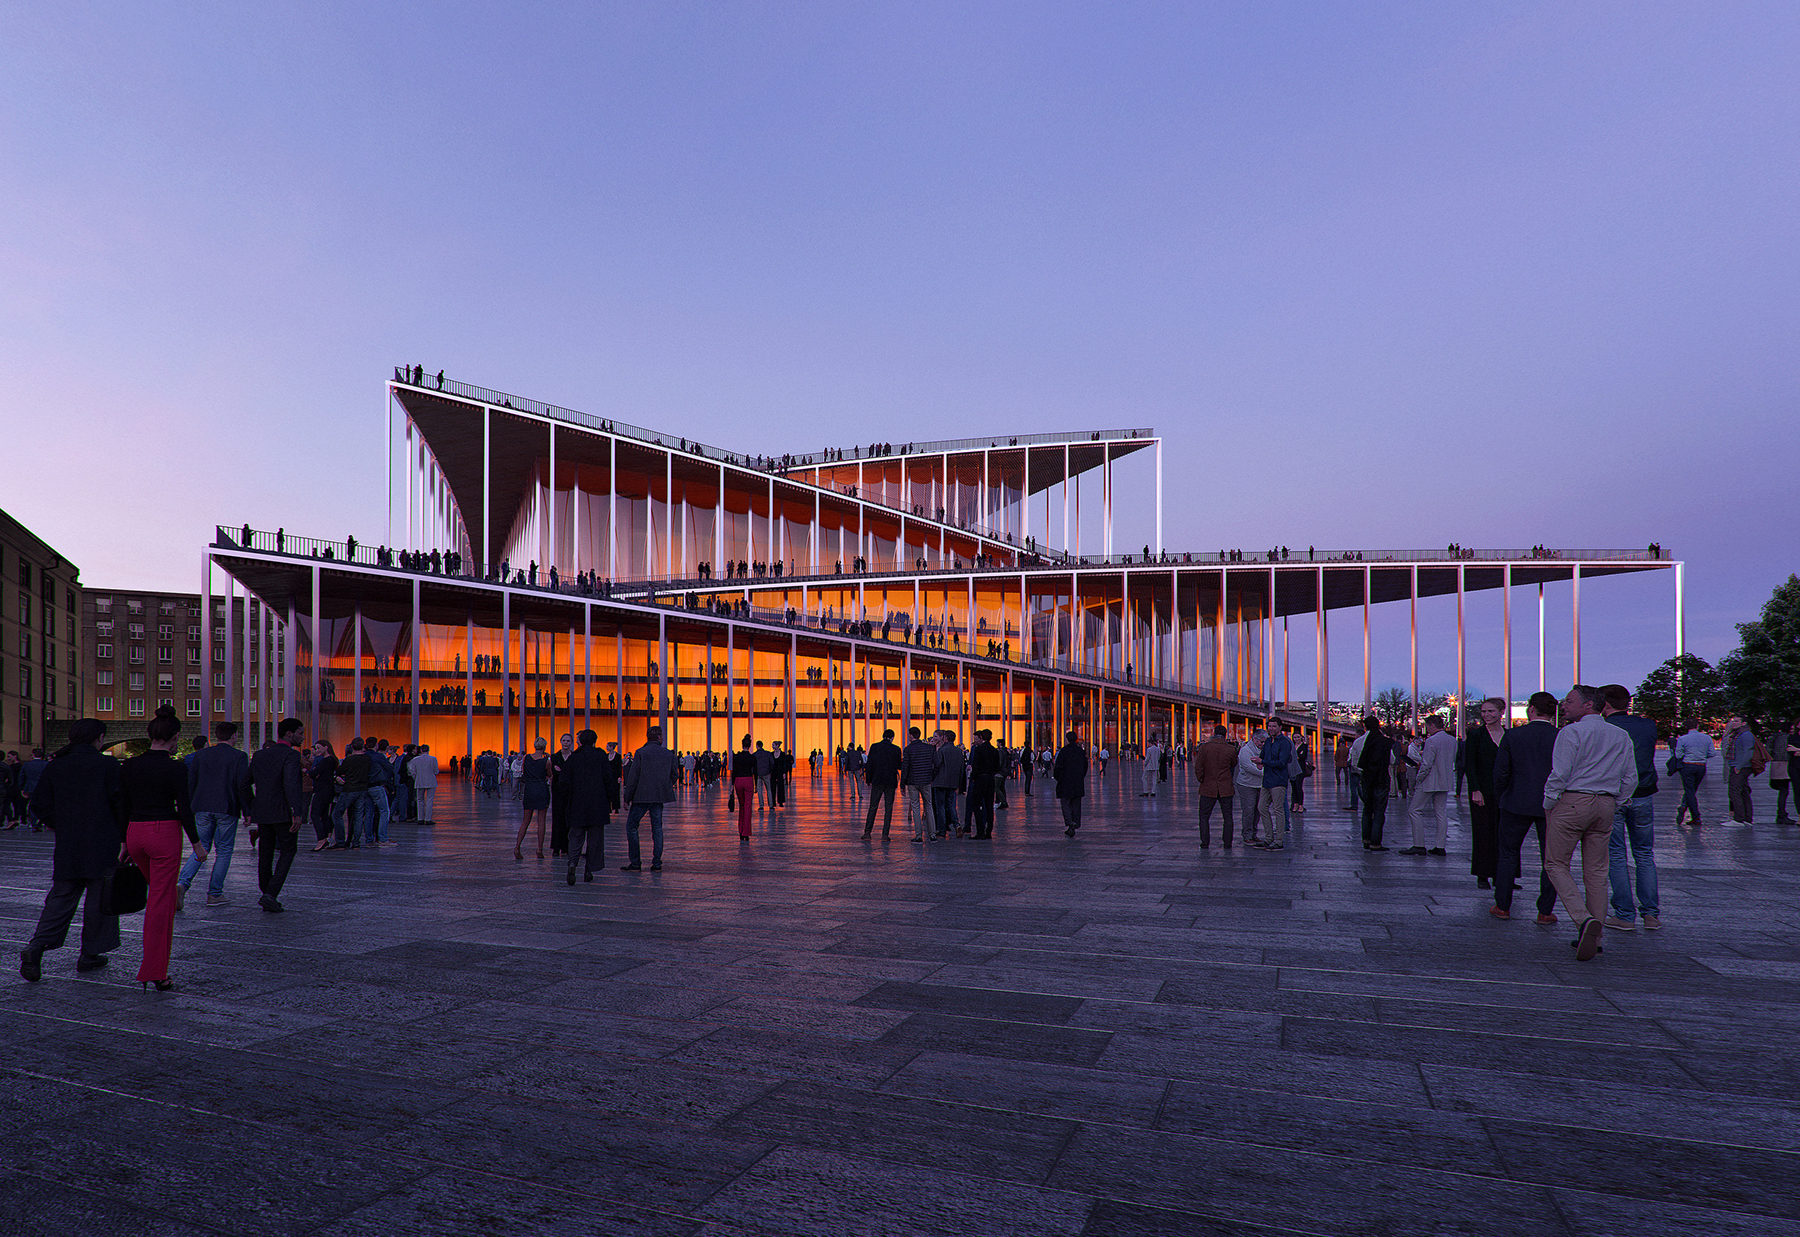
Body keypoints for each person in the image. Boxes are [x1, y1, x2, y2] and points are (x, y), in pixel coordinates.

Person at [19, 718, 127, 982]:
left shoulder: (58, 766)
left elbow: (39, 804)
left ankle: (37, 946)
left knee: (61, 898)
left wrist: (61, 824)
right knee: (99, 900)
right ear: (99, 737)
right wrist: (123, 836)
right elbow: (121, 804)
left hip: (69, 843)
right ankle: (90, 953)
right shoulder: (108, 765)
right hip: (102, 842)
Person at [1542, 685, 1638, 961]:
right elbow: (1630, 777)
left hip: (1573, 801)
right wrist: (1616, 800)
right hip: (1606, 804)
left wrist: (1549, 803)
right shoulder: (1620, 735)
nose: (1564, 705)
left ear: (1587, 705)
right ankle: (1594, 938)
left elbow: (1560, 773)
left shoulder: (1570, 732)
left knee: (1555, 863)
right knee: (1596, 871)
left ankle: (1583, 920)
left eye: (1570, 701)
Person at [121, 707, 202, 990]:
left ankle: (156, 967)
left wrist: (124, 841)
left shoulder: (130, 765)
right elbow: (185, 808)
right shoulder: (175, 767)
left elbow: (123, 805)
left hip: (135, 832)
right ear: (175, 736)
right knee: (160, 901)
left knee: (161, 896)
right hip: (163, 832)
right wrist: (197, 843)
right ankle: (154, 970)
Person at [1491, 692, 1561, 923]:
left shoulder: (1513, 736)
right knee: (1550, 859)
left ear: (1530, 710)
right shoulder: (1560, 736)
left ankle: (1503, 905)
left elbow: (1501, 772)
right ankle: (1545, 910)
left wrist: (1502, 796)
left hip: (1515, 802)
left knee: (1508, 855)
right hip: (1550, 805)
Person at [1600, 685, 1661, 932]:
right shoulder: (1648, 725)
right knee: (1645, 854)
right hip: (1644, 794)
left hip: (1614, 795)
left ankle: (1625, 914)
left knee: (1615, 855)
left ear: (1604, 704)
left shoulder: (1606, 728)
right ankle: (1651, 914)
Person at [181, 720, 250, 909]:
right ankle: (215, 893)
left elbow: (191, 782)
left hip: (202, 806)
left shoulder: (200, 755)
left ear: (216, 736)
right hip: (226, 807)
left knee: (201, 847)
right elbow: (241, 786)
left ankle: (182, 883)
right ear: (234, 736)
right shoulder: (239, 756)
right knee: (224, 851)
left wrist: (190, 805)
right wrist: (248, 811)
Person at [247, 718, 306, 913]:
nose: (302, 737)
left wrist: (250, 806)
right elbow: (291, 784)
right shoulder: (290, 755)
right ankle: (270, 894)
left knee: (266, 852)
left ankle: (266, 893)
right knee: (288, 850)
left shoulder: (260, 755)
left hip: (262, 811)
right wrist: (297, 812)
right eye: (300, 733)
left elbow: (243, 782)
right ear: (289, 734)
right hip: (282, 812)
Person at [1463, 699, 1506, 887]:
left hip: (1504, 791)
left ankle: (1502, 874)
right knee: (1482, 831)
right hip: (1482, 791)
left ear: (1501, 712)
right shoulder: (1475, 736)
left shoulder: (1509, 735)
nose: (1486, 715)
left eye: (1491, 711)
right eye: (1483, 711)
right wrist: (1475, 789)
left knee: (1503, 833)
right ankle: (1482, 874)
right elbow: (1470, 764)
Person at [621, 725, 676, 871]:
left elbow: (633, 777)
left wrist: (627, 797)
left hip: (641, 796)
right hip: (658, 796)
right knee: (657, 828)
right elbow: (675, 774)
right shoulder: (668, 754)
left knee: (632, 827)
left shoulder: (640, 753)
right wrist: (665, 785)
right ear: (659, 737)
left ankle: (635, 862)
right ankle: (657, 862)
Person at [1399, 716, 1455, 857]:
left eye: (1427, 727)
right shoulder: (1452, 740)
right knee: (1441, 813)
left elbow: (1427, 764)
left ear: (1431, 725)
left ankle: (1419, 844)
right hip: (1445, 780)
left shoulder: (1431, 741)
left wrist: (1418, 779)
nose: (1426, 730)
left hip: (1430, 780)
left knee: (1414, 810)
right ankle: (1440, 846)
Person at [562, 729, 611, 882]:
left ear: (580, 741)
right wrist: (609, 800)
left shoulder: (573, 758)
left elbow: (564, 781)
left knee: (576, 836)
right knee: (595, 838)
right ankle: (589, 869)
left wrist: (569, 797)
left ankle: (572, 863)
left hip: (577, 803)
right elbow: (608, 779)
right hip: (597, 803)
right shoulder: (601, 756)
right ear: (595, 741)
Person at [1352, 716, 1392, 851]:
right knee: (1379, 811)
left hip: (1366, 779)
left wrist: (1364, 772)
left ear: (1365, 727)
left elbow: (1355, 763)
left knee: (1367, 809)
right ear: (1379, 726)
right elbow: (1391, 760)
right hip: (1381, 779)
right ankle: (1376, 842)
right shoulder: (1384, 741)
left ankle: (1366, 839)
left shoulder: (1358, 742)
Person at [1253, 720, 1293, 850]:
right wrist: (1260, 762)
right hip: (1267, 780)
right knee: (1262, 807)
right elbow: (1263, 756)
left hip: (1278, 780)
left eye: (1274, 726)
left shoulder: (1285, 742)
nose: (1271, 728)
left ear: (1280, 727)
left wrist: (1263, 761)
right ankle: (1268, 838)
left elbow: (1282, 762)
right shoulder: (1268, 742)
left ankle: (1279, 841)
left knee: (1278, 810)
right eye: (1269, 726)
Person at [1194, 725, 1237, 848]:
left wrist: (1202, 779)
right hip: (1225, 787)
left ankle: (1205, 842)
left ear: (1214, 733)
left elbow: (1198, 767)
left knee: (1204, 816)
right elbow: (1234, 763)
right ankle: (1227, 843)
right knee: (1227, 816)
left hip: (1208, 786)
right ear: (1225, 734)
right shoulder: (1230, 749)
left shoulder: (1204, 748)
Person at [329, 738, 372, 847]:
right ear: (363, 746)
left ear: (352, 747)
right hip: (362, 788)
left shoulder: (349, 759)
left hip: (349, 788)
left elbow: (339, 771)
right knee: (358, 816)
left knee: (337, 814)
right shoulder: (367, 759)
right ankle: (356, 842)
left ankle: (340, 840)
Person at [515, 737, 551, 860]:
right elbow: (549, 774)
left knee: (525, 821)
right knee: (541, 821)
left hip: (529, 789)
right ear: (544, 747)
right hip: (541, 789)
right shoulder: (546, 761)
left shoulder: (527, 758)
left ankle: (517, 847)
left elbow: (524, 772)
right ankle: (539, 848)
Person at [1672, 718, 1713, 827]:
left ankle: (1695, 816)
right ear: (1697, 726)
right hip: (1701, 766)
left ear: (1686, 727)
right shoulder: (1707, 738)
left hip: (1687, 765)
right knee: (1693, 789)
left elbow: (1678, 755)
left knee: (1689, 790)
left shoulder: (1682, 739)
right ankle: (1685, 806)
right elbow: (1711, 753)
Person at [863, 729, 902, 839]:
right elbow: (899, 765)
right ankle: (885, 834)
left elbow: (869, 765)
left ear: (883, 736)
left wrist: (868, 780)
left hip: (877, 779)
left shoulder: (874, 747)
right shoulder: (896, 749)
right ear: (893, 738)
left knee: (873, 806)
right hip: (890, 781)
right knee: (888, 808)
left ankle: (867, 832)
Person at [901, 727, 938, 842]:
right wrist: (932, 777)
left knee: (916, 806)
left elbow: (905, 767)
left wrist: (902, 784)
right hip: (926, 781)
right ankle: (932, 834)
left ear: (911, 735)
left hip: (913, 781)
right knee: (929, 806)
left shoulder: (908, 749)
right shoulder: (929, 748)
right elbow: (936, 764)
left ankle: (918, 835)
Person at [932, 730, 967, 838]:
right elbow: (962, 769)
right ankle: (956, 824)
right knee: (951, 805)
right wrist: (959, 784)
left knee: (941, 807)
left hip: (940, 782)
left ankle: (942, 830)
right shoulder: (959, 751)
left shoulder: (942, 750)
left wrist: (932, 777)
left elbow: (937, 765)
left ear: (945, 738)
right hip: (953, 783)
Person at [1235, 727, 1267, 846]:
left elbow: (1265, 762)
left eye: (1265, 741)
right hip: (1246, 784)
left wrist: (1262, 764)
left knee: (1258, 810)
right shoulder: (1245, 751)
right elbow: (1249, 768)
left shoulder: (1263, 749)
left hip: (1260, 784)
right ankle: (1247, 835)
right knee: (1248, 810)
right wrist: (1265, 770)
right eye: (1261, 741)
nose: (1263, 744)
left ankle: (1254, 833)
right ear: (1254, 739)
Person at [1052, 731, 1088, 837]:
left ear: (1067, 739)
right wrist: (1080, 777)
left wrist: (1059, 779)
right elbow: (1085, 767)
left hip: (1065, 782)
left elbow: (1058, 768)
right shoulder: (1080, 751)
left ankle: (1070, 822)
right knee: (1076, 804)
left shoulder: (1064, 751)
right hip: (1077, 782)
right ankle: (1074, 823)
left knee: (1066, 803)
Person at [1724, 716, 1758, 823]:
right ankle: (1747, 819)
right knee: (1743, 792)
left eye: (1737, 721)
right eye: (1733, 721)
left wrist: (1739, 766)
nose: (1734, 723)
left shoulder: (1746, 735)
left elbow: (1748, 752)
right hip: (1739, 765)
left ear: (1744, 723)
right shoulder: (1738, 734)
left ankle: (1739, 819)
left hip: (1740, 767)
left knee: (1734, 792)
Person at [967, 730, 999, 839]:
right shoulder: (994, 750)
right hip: (990, 779)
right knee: (989, 805)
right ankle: (989, 831)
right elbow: (997, 766)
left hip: (980, 779)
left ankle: (980, 831)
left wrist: (974, 777)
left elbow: (975, 765)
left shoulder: (979, 749)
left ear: (981, 737)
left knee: (976, 805)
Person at [307, 740, 338, 851]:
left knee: (315, 814)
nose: (317, 750)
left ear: (326, 747)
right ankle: (326, 838)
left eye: (319, 748)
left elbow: (313, 773)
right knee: (324, 815)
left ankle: (321, 838)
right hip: (328, 790)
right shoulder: (332, 760)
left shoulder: (326, 760)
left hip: (321, 790)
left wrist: (314, 772)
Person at [550, 733, 574, 855]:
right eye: (563, 740)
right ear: (560, 741)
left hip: (570, 792)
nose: (565, 743)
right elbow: (554, 771)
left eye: (568, 741)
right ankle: (556, 846)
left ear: (571, 742)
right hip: (558, 791)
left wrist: (561, 771)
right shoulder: (555, 756)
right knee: (557, 818)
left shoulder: (574, 757)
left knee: (569, 818)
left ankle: (566, 846)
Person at [730, 735, 757, 840]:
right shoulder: (752, 757)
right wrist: (756, 784)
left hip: (738, 781)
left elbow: (734, 771)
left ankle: (740, 831)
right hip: (748, 780)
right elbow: (755, 771)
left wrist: (732, 785)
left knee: (741, 805)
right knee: (747, 807)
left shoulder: (737, 757)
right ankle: (746, 832)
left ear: (742, 745)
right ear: (750, 746)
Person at [1770, 722, 1795, 826]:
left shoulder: (1775, 737)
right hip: (1785, 765)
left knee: (1783, 791)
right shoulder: (1789, 738)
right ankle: (1781, 815)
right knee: (1784, 791)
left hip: (1776, 765)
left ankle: (1781, 814)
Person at [410, 743, 439, 825]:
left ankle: (420, 818)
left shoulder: (415, 759)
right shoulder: (433, 759)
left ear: (421, 750)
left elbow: (413, 771)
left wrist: (416, 778)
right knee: (430, 800)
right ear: (428, 750)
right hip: (431, 781)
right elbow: (436, 771)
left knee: (419, 799)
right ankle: (428, 819)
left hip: (419, 781)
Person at [753, 740, 774, 809]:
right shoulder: (768, 753)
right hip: (766, 773)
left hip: (758, 774)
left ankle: (761, 805)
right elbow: (772, 763)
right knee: (768, 789)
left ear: (757, 746)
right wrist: (770, 771)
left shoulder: (754, 755)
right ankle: (771, 805)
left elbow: (753, 766)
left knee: (759, 790)